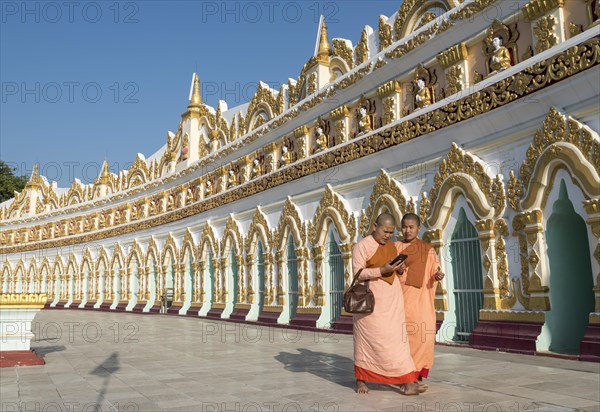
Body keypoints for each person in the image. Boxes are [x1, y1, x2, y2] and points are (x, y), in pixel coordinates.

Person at [352, 213, 425, 396]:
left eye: (391, 232)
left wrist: (398, 269)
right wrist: (381, 270)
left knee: (398, 343)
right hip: (371, 305)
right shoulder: (362, 246)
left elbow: (394, 272)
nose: (388, 236)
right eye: (385, 231)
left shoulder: (392, 246)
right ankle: (361, 380)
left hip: (392, 302)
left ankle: (408, 382)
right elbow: (357, 274)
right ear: (375, 226)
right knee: (367, 344)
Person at [396, 213, 444, 386]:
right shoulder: (395, 247)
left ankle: (417, 374)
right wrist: (398, 271)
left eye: (411, 227)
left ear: (418, 228)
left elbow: (433, 271)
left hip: (422, 303)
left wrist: (436, 276)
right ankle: (405, 375)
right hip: (401, 302)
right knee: (403, 340)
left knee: (424, 338)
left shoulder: (428, 249)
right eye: (404, 227)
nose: (407, 230)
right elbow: (387, 273)